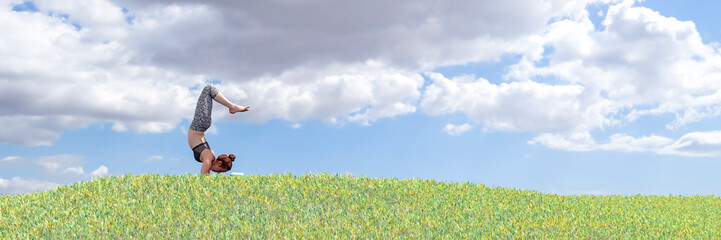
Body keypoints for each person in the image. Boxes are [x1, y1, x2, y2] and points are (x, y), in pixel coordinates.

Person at [188, 84, 249, 175]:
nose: (218, 173)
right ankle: (232, 107)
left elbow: (206, 175)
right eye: (220, 170)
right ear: (219, 163)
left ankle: (232, 107)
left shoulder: (209, 157)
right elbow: (203, 178)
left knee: (208, 90)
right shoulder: (209, 157)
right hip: (200, 124)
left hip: (201, 125)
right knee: (208, 89)